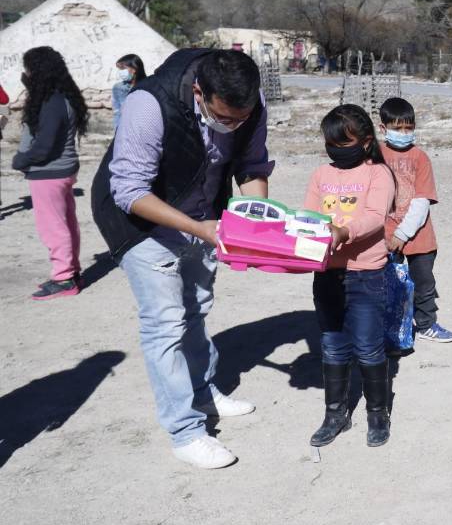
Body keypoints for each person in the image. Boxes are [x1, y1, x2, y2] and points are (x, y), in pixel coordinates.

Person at [91, 48, 273, 469]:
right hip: (142, 221)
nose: (234, 126)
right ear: (198, 92)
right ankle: (185, 430)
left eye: (241, 118)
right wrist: (198, 229)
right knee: (166, 323)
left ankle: (203, 391)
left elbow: (251, 163)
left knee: (197, 308)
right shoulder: (148, 104)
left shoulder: (250, 104)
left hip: (203, 213)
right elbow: (130, 191)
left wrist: (255, 221)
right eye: (224, 118)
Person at [305, 104, 397, 448]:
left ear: (366, 141)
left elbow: (375, 216)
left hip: (365, 275)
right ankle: (335, 414)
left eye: (344, 143)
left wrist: (343, 232)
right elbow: (310, 216)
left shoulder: (378, 174)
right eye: (331, 143)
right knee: (332, 344)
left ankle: (377, 413)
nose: (336, 149)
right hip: (327, 274)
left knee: (369, 347)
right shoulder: (320, 175)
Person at [11, 47, 89, 299]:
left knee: (53, 227)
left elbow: (44, 146)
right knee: (65, 223)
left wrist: (21, 160)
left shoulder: (52, 102)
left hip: (49, 174)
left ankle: (64, 278)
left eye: (29, 69)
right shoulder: (61, 97)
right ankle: (71, 271)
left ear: (39, 71)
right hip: (61, 172)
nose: (26, 74)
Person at [377, 97, 452, 345]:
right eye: (397, 128)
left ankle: (426, 324)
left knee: (424, 283)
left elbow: (421, 201)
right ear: (383, 128)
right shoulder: (375, 156)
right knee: (391, 285)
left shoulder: (421, 158)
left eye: (408, 128)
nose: (404, 133)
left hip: (419, 236)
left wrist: (403, 233)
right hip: (384, 237)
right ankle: (394, 330)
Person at [111, 54, 146, 131]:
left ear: (134, 68)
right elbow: (117, 112)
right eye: (119, 69)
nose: (120, 72)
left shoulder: (148, 86)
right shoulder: (118, 88)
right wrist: (117, 131)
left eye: (123, 68)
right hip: (124, 130)